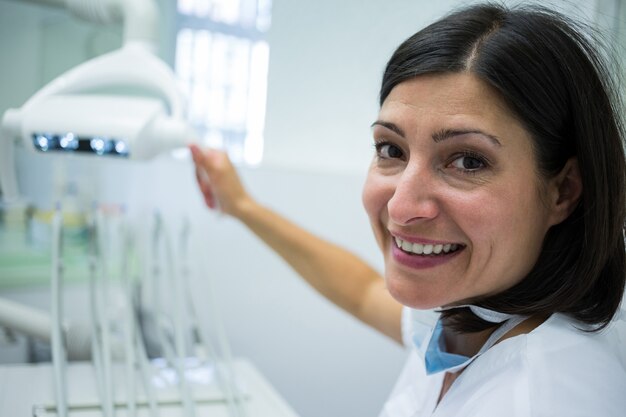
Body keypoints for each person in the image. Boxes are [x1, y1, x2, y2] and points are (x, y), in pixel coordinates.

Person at [190, 3, 626, 416]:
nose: (400, 206)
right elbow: (362, 291)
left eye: (468, 160)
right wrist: (243, 207)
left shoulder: (541, 397)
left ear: (563, 191)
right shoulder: (478, 316)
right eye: (390, 149)